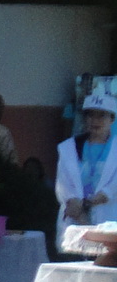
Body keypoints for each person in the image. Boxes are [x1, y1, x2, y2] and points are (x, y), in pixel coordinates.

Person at [55, 88, 117, 247]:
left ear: (112, 119)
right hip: (76, 219)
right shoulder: (68, 148)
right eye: (91, 115)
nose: (95, 121)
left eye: (102, 115)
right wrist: (77, 208)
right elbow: (63, 184)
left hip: (110, 218)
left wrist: (94, 200)